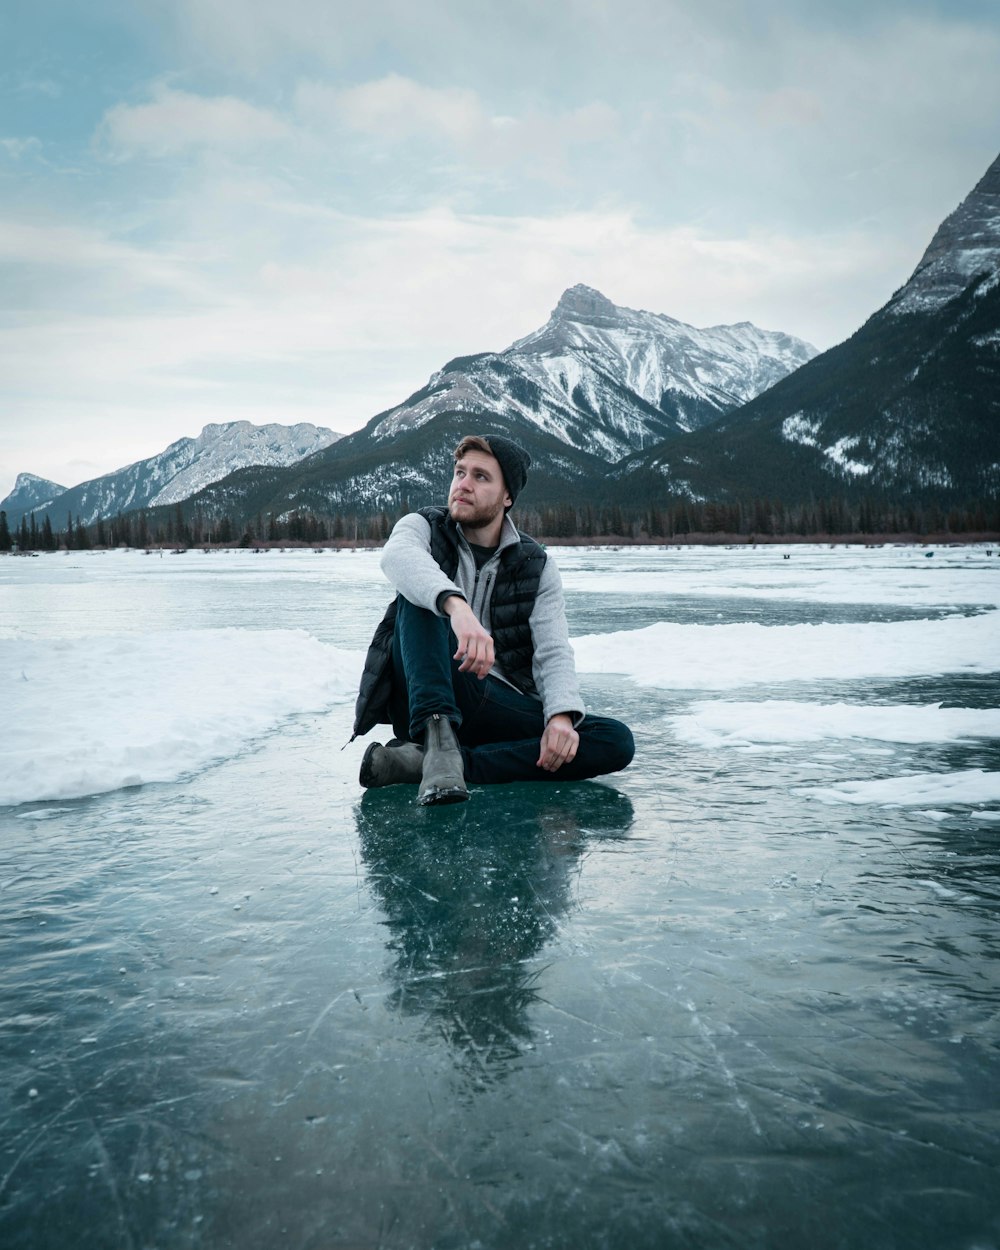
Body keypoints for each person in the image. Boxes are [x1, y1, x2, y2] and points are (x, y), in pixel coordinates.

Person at [352, 433, 634, 805]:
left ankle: (441, 763)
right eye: (459, 472)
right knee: (418, 597)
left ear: (507, 497)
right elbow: (398, 557)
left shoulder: (536, 565)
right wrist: (456, 606)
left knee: (613, 739)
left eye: (481, 477)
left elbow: (553, 652)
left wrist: (561, 717)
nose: (463, 485)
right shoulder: (423, 527)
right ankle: (438, 741)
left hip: (493, 700)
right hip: (427, 693)